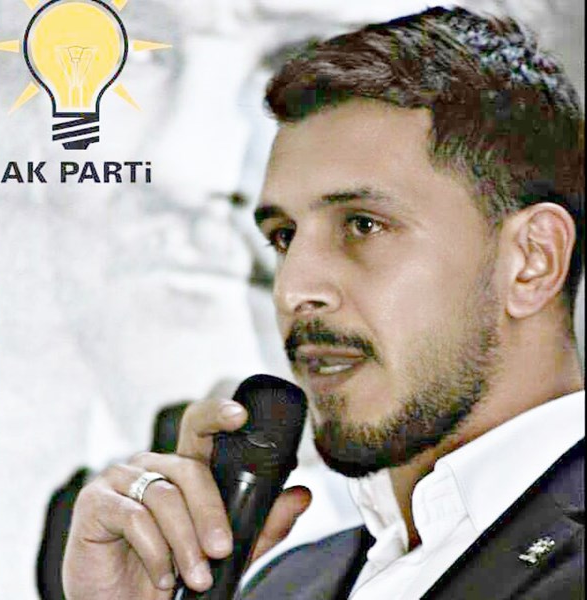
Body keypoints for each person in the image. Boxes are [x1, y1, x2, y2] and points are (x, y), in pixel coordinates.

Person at [61, 6, 584, 599]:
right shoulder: (282, 583)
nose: (291, 289)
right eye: (284, 236)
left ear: (533, 259)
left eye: (363, 225)